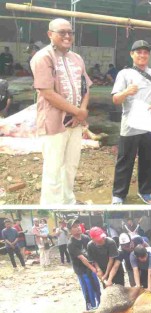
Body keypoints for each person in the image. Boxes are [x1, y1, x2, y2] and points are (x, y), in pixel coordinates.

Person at [30, 18, 92, 205]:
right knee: (53, 167)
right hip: (54, 121)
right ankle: (52, 207)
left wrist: (82, 110)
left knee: (71, 165)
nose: (67, 36)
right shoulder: (43, 57)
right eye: (62, 32)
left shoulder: (77, 58)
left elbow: (86, 87)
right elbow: (47, 92)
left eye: (70, 32)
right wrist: (77, 112)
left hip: (75, 122)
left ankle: (68, 201)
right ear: (50, 34)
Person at [111, 40, 151, 205]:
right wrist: (126, 92)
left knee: (149, 160)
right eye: (138, 52)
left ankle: (145, 191)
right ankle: (119, 194)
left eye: (145, 52)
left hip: (150, 124)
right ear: (132, 54)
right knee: (125, 160)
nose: (142, 55)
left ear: (148, 55)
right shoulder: (124, 74)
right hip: (130, 124)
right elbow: (115, 99)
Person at [67, 219, 101, 310]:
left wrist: (96, 267)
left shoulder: (86, 238)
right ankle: (91, 307)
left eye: (78, 225)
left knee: (96, 286)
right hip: (81, 270)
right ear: (70, 231)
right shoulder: (71, 244)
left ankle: (100, 305)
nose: (78, 228)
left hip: (91, 267)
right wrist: (93, 268)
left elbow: (92, 252)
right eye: (74, 227)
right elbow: (83, 258)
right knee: (88, 288)